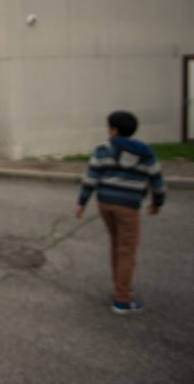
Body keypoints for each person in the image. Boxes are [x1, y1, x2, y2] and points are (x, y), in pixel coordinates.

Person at [75, 110, 166, 315]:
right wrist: (157, 202)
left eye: (109, 127)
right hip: (128, 206)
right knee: (127, 250)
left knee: (117, 245)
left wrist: (82, 202)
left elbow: (91, 178)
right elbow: (157, 180)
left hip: (105, 204)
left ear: (114, 130)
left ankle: (120, 286)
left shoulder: (103, 150)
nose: (107, 130)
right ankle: (122, 299)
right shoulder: (146, 153)